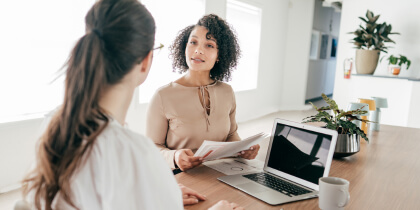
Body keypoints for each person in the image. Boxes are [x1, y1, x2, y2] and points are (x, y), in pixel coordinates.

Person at [21, 1, 242, 209]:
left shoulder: (53, 123)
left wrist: (162, 193)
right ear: (146, 60)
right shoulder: (137, 154)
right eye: (193, 42)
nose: (198, 50)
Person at [146, 14, 260, 172]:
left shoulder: (227, 92)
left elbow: (231, 135)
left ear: (220, 55)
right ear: (184, 47)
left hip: (222, 172)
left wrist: (243, 149)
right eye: (193, 42)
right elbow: (151, 148)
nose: (198, 50)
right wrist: (175, 157)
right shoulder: (163, 95)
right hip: (181, 177)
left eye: (209, 45)